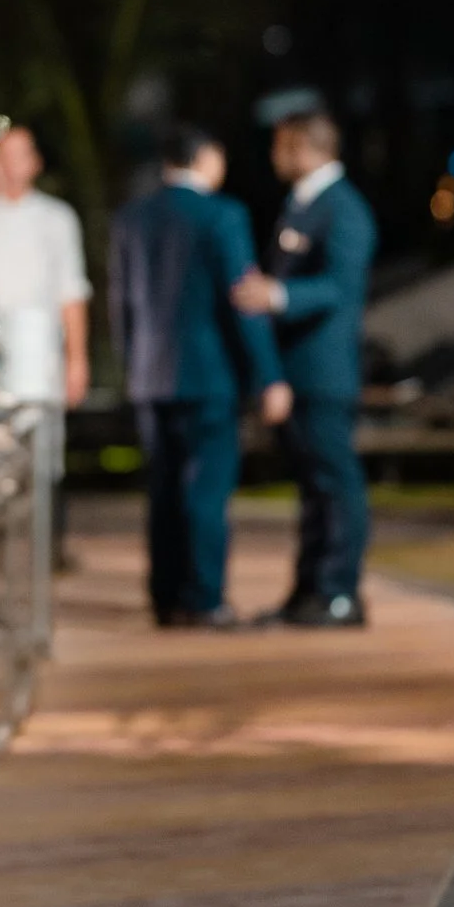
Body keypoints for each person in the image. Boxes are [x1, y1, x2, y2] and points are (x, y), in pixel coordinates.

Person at [109, 125, 289, 628]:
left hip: (151, 376)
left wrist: (132, 367)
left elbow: (121, 306)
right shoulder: (223, 216)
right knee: (207, 491)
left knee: (163, 490)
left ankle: (165, 597)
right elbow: (244, 301)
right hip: (210, 378)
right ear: (206, 159)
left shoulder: (131, 218)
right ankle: (204, 598)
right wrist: (268, 376)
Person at [233, 97, 378, 628]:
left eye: (280, 144)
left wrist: (278, 296)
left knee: (335, 483)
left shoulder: (343, 208)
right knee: (313, 488)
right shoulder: (304, 204)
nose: (274, 155)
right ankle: (310, 591)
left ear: (304, 147)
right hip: (299, 370)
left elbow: (341, 286)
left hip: (323, 372)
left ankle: (340, 591)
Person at [0, 122, 93, 411]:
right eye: (3, 156)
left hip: (41, 353)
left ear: (35, 162)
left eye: (19, 155)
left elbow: (72, 291)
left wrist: (77, 361)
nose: (11, 166)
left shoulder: (58, 218)